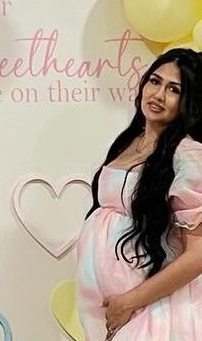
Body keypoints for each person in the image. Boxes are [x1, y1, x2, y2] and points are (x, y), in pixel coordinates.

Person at [77, 47, 202, 340]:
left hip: (157, 310)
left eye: (174, 89)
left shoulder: (188, 156)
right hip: (110, 307)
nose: (158, 95)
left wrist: (132, 299)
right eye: (155, 81)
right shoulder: (128, 142)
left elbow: (198, 254)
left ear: (190, 101)